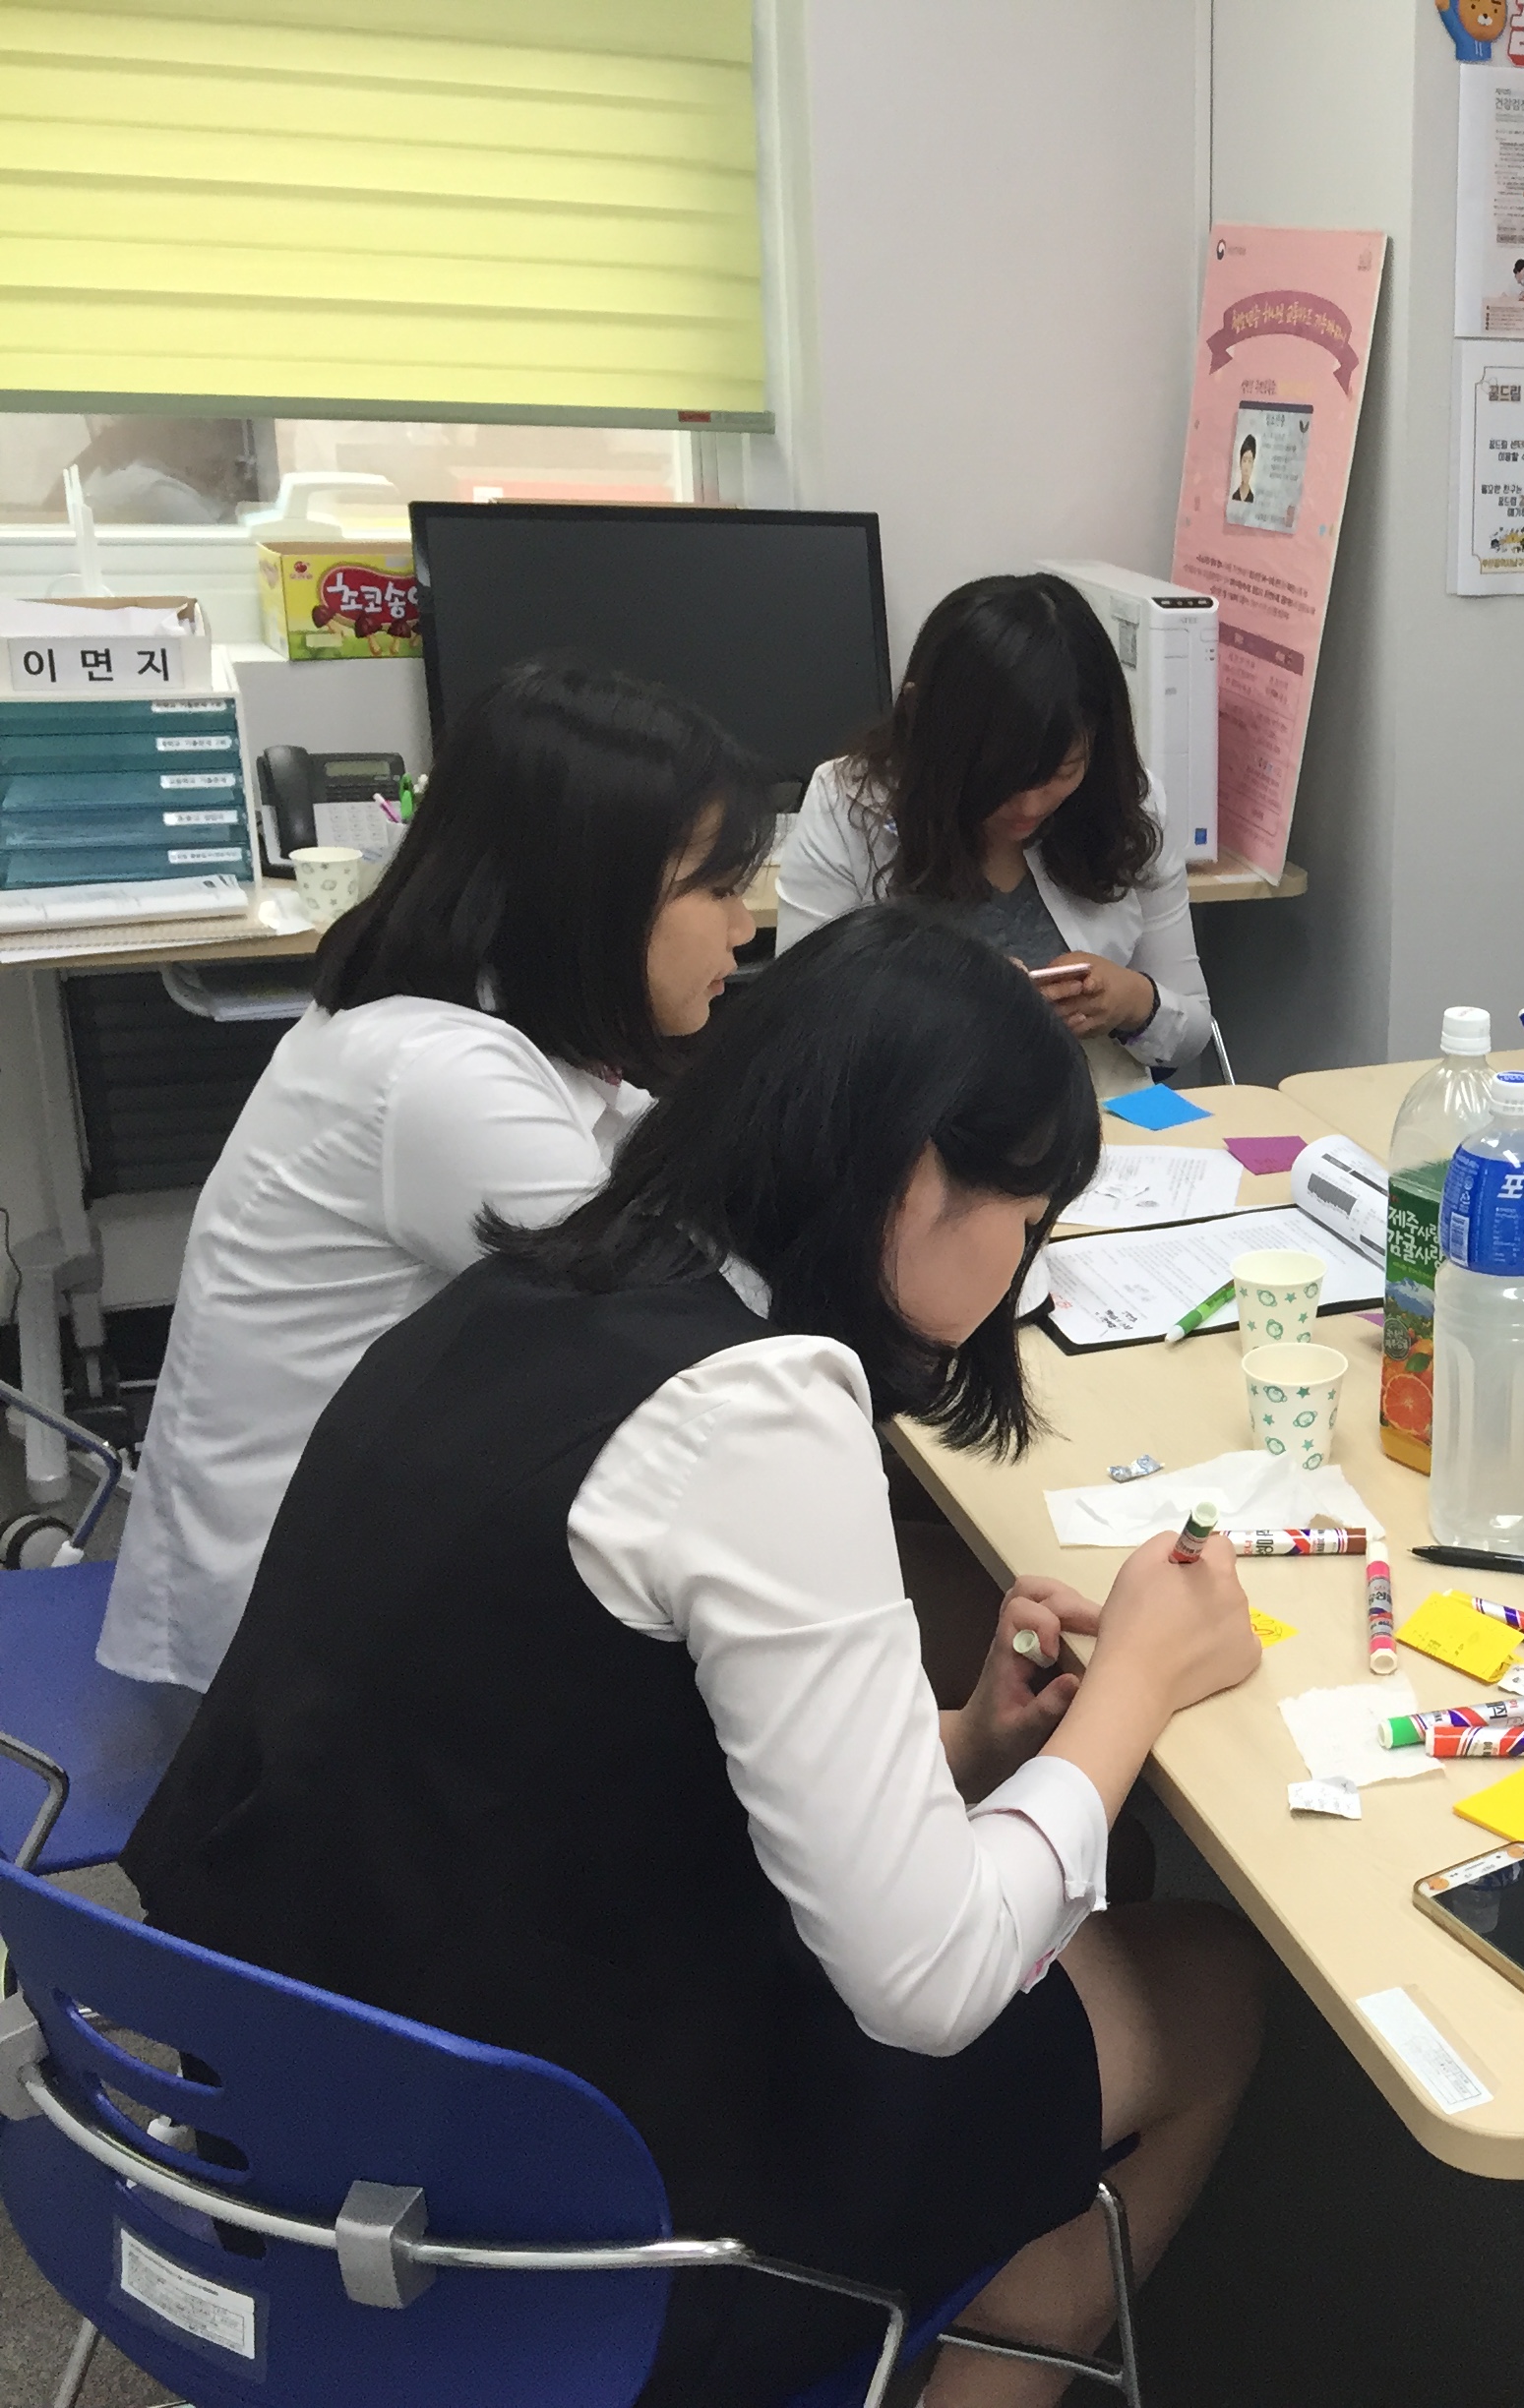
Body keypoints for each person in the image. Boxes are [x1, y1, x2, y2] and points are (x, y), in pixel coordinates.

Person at [128, 907, 1268, 2408]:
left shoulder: (526, 1290)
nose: (1025, 1266)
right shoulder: (758, 1407)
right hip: (558, 2211)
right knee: (1209, 1985)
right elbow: (925, 1982)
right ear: (918, 1178)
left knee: (1047, 1875)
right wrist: (1133, 1691)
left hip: (294, 2114)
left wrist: (967, 1746)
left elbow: (596, 1747)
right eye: (1031, 1218)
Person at [99, 661, 768, 1690]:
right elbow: (684, 1344)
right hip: (287, 1662)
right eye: (717, 888)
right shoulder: (441, 1077)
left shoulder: (484, 1030)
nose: (745, 926)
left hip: (370, 1560)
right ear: (592, 892)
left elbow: (675, 1174)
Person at [778, 571, 1213, 1096]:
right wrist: (945, 1009)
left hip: (1100, 1117)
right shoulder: (849, 804)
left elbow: (1192, 1030)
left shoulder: (1125, 805)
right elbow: (797, 1028)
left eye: (1062, 772)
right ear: (926, 725)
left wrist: (1132, 1002)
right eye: (997, 779)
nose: (1029, 806)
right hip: (915, 1117)